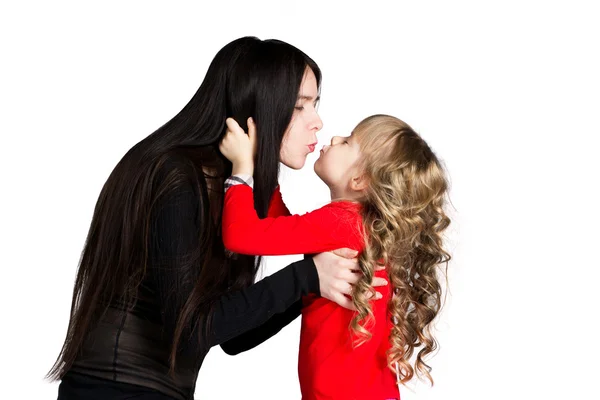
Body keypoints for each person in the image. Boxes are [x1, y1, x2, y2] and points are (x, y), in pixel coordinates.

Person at [48, 36, 388, 400]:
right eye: (300, 106)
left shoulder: (230, 189)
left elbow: (231, 335)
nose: (318, 122)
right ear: (256, 108)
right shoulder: (176, 176)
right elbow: (191, 331)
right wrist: (305, 277)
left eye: (315, 105)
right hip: (112, 390)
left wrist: (318, 283)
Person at [219, 114, 452, 399]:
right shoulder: (361, 227)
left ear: (360, 179)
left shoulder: (339, 223)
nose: (334, 139)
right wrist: (265, 173)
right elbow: (282, 228)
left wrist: (241, 170)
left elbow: (239, 235)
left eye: (348, 141)